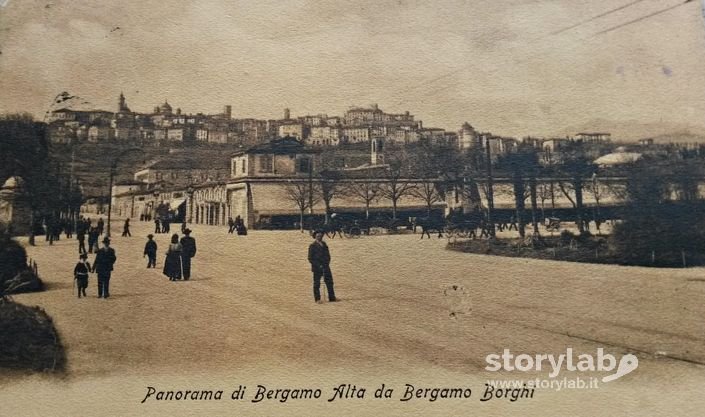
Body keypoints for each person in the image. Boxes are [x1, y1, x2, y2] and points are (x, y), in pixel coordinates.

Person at [307, 230, 337, 304]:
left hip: (326, 266)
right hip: (317, 268)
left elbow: (328, 255)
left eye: (320, 236)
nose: (319, 237)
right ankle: (317, 299)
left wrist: (327, 263)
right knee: (317, 284)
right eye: (318, 236)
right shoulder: (312, 246)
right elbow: (310, 258)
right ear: (315, 237)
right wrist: (318, 265)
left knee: (329, 282)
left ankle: (332, 298)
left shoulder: (324, 244)